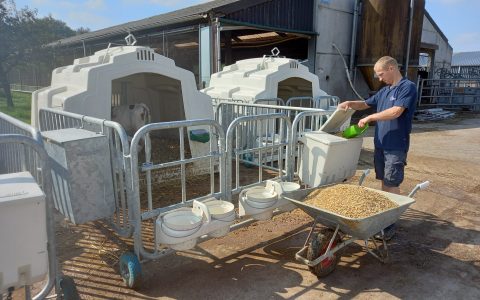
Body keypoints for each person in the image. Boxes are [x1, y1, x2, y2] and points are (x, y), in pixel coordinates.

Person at [338, 56, 417, 240]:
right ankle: (384, 218)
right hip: (381, 144)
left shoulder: (407, 87)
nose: (379, 79)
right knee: (383, 181)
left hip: (396, 145)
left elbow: (397, 111)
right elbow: (366, 103)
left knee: (392, 182)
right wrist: (349, 103)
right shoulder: (384, 91)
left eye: (381, 74)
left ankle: (389, 225)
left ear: (391, 68)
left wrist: (370, 118)